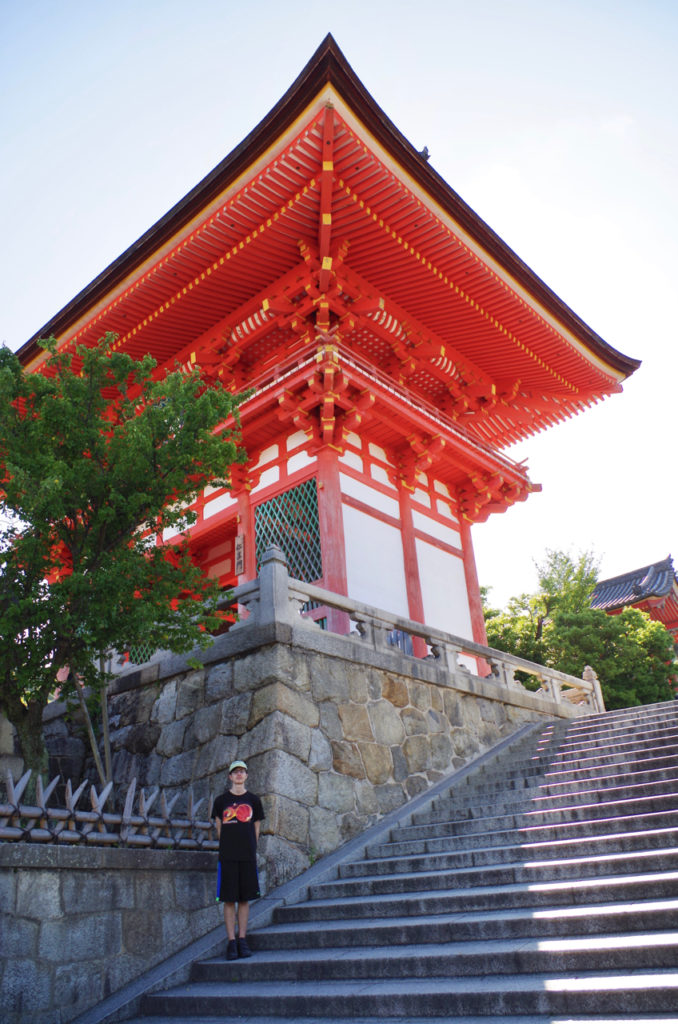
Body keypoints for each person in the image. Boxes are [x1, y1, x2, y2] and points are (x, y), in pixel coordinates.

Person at [212, 759, 265, 961]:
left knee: (244, 898)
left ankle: (242, 939)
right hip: (227, 855)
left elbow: (256, 827)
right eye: (236, 772)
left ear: (247, 775)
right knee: (228, 899)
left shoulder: (254, 800)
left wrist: (251, 847)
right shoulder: (220, 801)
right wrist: (227, 845)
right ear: (230, 776)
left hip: (247, 855)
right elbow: (219, 827)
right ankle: (231, 941)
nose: (239, 775)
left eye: (242, 771)